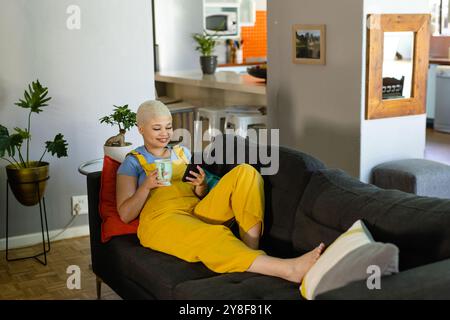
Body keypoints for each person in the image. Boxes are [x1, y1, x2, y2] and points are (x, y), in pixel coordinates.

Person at [116, 100, 325, 284]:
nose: (165, 134)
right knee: (210, 234)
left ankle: (249, 252)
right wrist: (146, 186)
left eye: (169, 127)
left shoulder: (182, 152)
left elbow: (198, 193)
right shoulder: (133, 162)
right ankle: (288, 270)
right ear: (141, 129)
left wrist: (200, 185)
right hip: (162, 219)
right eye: (157, 128)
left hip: (195, 209)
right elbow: (126, 214)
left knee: (246, 173)